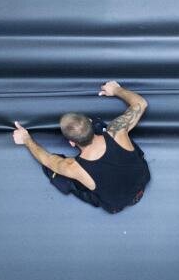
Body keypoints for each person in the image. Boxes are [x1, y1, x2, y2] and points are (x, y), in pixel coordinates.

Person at [11, 80, 151, 214]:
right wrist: (115, 89)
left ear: (71, 143)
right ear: (90, 123)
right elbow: (141, 103)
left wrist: (26, 139)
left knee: (54, 170)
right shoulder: (117, 131)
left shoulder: (73, 167)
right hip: (143, 181)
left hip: (115, 205)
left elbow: (46, 159)